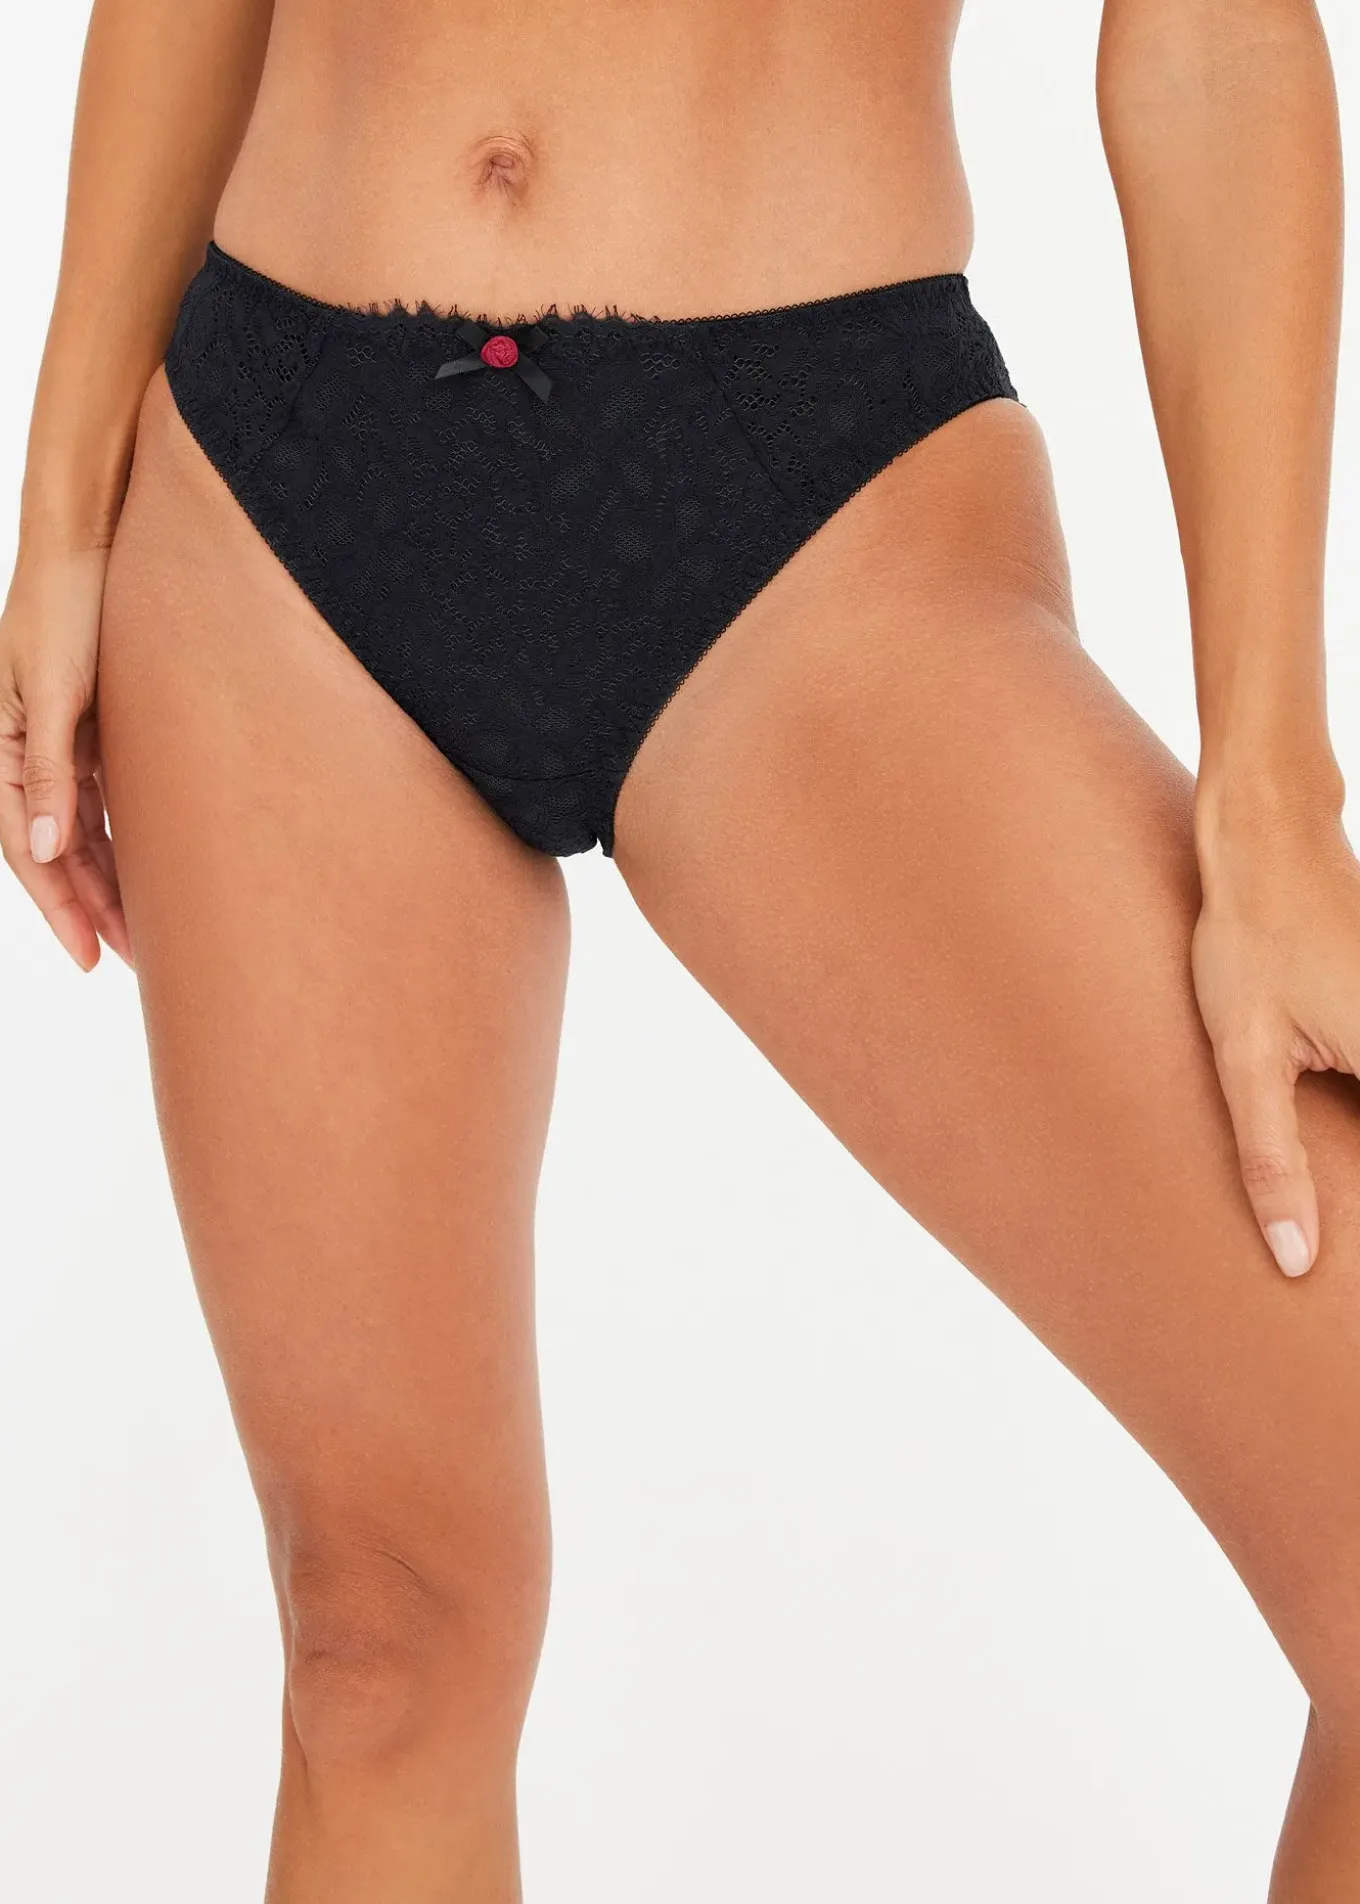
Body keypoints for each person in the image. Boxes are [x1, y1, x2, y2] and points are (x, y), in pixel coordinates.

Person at [1, 0, 1355, 1896]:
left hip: (816, 489)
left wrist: (1271, 785)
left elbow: (1212, 42)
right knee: (380, 1651)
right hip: (272, 467)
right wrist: (66, 501)